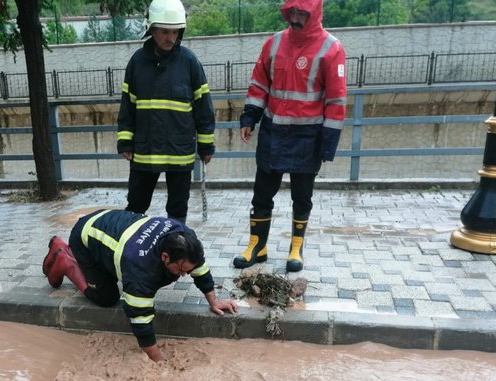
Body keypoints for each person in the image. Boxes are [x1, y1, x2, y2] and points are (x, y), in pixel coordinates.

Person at [233, 0, 347, 272]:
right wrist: (250, 117)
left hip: (308, 136)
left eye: (302, 13)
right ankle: (257, 246)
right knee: (261, 194)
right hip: (273, 132)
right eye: (292, 11)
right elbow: (259, 84)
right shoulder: (273, 44)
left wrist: (328, 143)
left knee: (302, 196)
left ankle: (296, 248)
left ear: (314, 12)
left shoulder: (331, 48)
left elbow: (336, 99)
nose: (295, 18)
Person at [42, 210, 238, 362]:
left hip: (112, 223)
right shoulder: (140, 269)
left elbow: (199, 268)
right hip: (85, 235)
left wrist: (214, 301)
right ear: (164, 257)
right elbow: (140, 319)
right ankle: (65, 260)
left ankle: (93, 263)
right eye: (180, 270)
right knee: (107, 296)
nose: (184, 275)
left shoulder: (185, 238)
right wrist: (158, 360)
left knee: (120, 270)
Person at [117, 0, 215, 225]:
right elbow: (128, 106)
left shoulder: (189, 62)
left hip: (179, 152)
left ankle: (177, 247)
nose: (170, 37)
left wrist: (207, 146)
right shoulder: (137, 63)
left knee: (178, 208)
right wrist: (125, 141)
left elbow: (204, 108)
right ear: (151, 29)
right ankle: (130, 247)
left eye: (175, 31)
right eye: (164, 32)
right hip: (145, 150)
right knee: (136, 205)